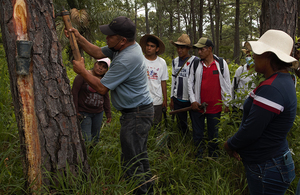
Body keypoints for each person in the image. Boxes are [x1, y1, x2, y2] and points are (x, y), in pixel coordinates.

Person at [66, 16, 154, 194]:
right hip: (138, 112)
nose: (106, 38)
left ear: (122, 40)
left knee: (132, 159)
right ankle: (149, 190)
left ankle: (141, 191)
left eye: (110, 36)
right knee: (139, 155)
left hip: (137, 114)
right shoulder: (122, 48)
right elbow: (98, 52)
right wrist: (78, 37)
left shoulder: (127, 58)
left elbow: (101, 88)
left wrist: (82, 71)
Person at [224, 29, 297, 194]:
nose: (253, 56)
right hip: (272, 161)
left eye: (257, 52)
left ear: (269, 56)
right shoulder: (284, 80)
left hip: (268, 166)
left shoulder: (272, 88)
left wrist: (230, 145)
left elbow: (251, 130)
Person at [188, 37, 231, 159]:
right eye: (198, 50)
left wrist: (227, 103)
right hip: (198, 106)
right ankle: (199, 157)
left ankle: (213, 157)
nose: (199, 52)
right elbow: (189, 83)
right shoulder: (196, 63)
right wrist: (193, 101)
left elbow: (227, 84)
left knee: (214, 134)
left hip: (215, 108)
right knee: (198, 134)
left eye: (201, 49)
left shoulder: (221, 64)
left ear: (210, 49)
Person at [72, 58, 112, 144]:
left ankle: (93, 155)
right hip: (84, 112)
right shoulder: (83, 75)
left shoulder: (104, 81)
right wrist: (76, 111)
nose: (100, 68)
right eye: (99, 65)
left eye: (104, 67)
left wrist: (108, 113)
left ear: (106, 70)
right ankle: (86, 156)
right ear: (95, 64)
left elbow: (106, 97)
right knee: (86, 139)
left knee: (95, 138)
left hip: (98, 113)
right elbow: (74, 93)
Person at [169, 34, 198, 135]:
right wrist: (172, 97)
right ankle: (184, 139)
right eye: (178, 48)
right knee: (181, 123)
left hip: (191, 98)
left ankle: (196, 140)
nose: (179, 50)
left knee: (195, 122)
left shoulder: (195, 61)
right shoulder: (175, 62)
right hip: (178, 98)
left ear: (188, 48)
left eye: (182, 48)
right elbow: (173, 79)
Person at [139, 34, 168, 134]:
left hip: (157, 100)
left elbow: (163, 81)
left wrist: (165, 99)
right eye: (147, 45)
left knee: (157, 126)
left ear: (157, 49)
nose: (149, 48)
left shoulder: (162, 62)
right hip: (142, 100)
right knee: (143, 127)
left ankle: (157, 148)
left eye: (152, 46)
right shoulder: (140, 60)